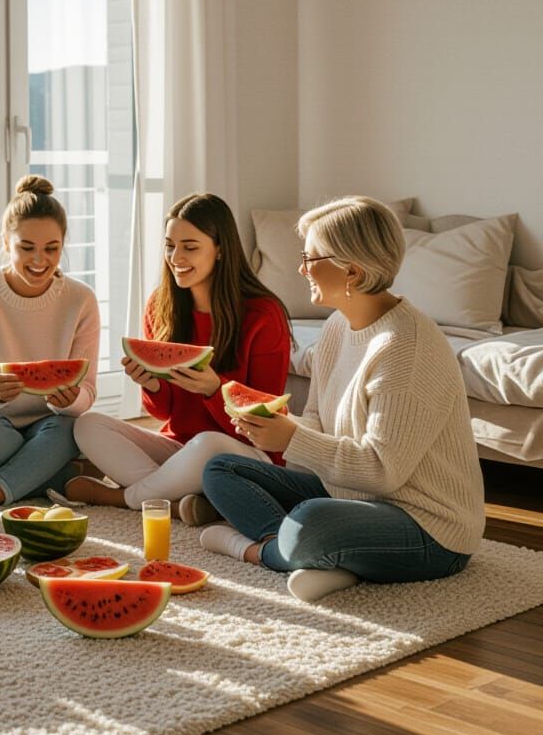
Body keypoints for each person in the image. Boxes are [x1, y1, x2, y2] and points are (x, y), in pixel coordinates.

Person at [200, 196, 485, 602]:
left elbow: (383, 472)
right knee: (221, 469)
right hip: (349, 496)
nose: (301, 268)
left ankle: (263, 550)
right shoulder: (337, 327)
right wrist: (278, 427)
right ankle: (316, 555)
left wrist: (291, 440)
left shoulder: (405, 347)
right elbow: (318, 419)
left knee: (310, 521)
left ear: (351, 270)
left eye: (311, 257)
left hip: (429, 528)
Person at [68, 193, 292, 524]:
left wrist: (214, 390)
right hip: (181, 448)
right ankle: (181, 500)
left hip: (241, 453)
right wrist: (152, 387)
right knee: (88, 425)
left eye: (190, 246)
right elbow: (164, 412)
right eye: (170, 245)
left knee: (208, 444)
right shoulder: (161, 304)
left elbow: (265, 419)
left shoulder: (263, 313)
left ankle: (124, 497)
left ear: (220, 249)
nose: (176, 257)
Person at [0, 175, 100, 505]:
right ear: (6, 243)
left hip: (48, 428)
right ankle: (61, 477)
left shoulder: (81, 299)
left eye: (52, 249)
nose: (39, 260)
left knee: (71, 429)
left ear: (63, 244)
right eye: (25, 248)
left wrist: (69, 401)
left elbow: (86, 392)